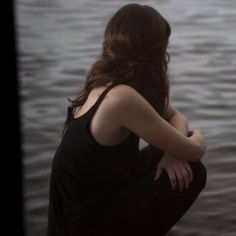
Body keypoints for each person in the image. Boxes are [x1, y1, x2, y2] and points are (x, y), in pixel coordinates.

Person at [47, 3, 207, 236]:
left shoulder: (105, 83)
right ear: (155, 50)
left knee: (165, 153)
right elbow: (194, 150)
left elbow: (175, 115)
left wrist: (171, 153)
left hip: (99, 200)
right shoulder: (121, 98)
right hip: (82, 228)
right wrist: (197, 137)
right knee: (193, 171)